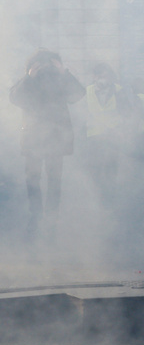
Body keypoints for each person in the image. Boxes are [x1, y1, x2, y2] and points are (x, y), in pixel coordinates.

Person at [9, 49, 85, 234]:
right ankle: (36, 215)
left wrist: (63, 72)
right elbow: (14, 98)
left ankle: (52, 216)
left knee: (54, 180)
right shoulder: (28, 82)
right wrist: (29, 77)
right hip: (33, 139)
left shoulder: (60, 81)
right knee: (32, 179)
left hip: (56, 139)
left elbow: (78, 94)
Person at [84, 63, 136, 205]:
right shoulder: (87, 91)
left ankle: (109, 197)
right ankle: (98, 192)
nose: (103, 79)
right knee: (93, 167)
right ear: (94, 77)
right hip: (94, 135)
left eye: (105, 76)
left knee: (111, 167)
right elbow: (81, 112)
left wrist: (123, 130)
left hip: (113, 135)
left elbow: (127, 113)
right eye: (100, 75)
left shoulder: (118, 90)